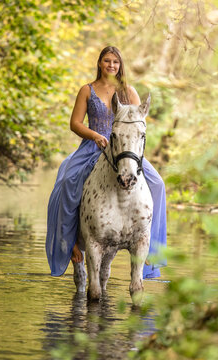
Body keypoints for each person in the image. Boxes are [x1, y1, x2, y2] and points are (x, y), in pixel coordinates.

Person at [45, 46, 167, 279]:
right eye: (107, 61)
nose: (111, 65)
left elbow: (139, 123)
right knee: (67, 181)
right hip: (94, 146)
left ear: (120, 66)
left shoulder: (128, 92)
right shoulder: (87, 90)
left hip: (124, 151)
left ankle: (153, 249)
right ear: (100, 63)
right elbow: (75, 123)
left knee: (158, 183)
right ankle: (70, 241)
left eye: (116, 62)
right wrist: (95, 136)